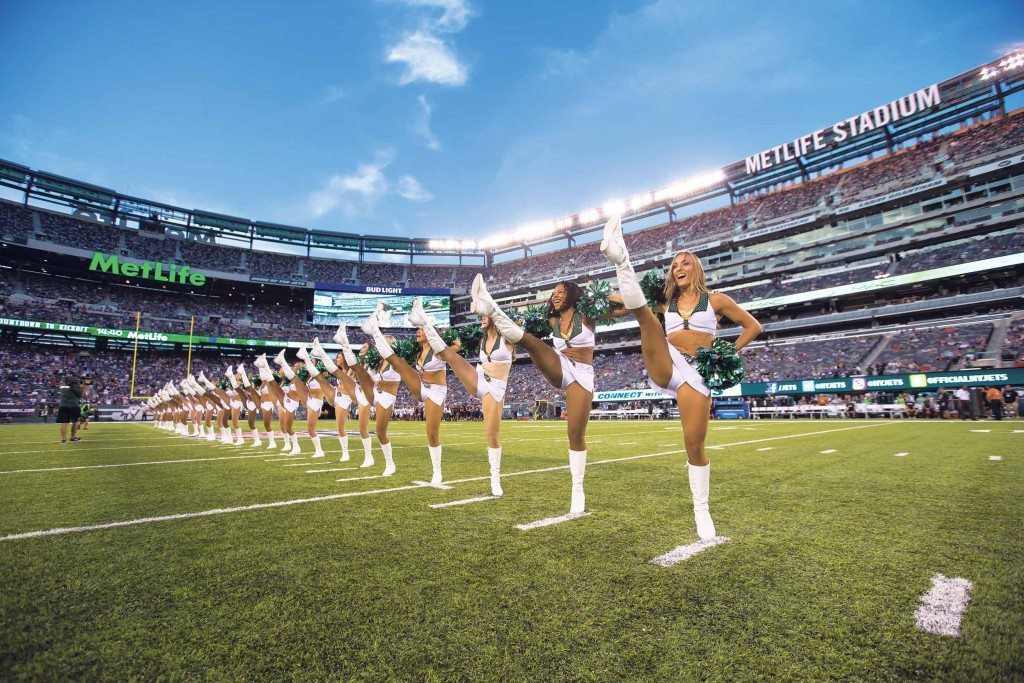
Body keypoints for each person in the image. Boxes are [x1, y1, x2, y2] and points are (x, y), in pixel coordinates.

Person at [601, 215, 762, 540]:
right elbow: (617, 309)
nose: (679, 266)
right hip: (667, 362)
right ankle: (621, 258)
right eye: (675, 263)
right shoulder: (666, 302)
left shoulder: (717, 301)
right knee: (645, 317)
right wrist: (603, 302)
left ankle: (700, 509)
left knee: (694, 445)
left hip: (698, 372)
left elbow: (754, 326)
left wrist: (730, 351)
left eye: (685, 262)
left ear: (695, 269)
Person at [469, 275, 596, 515]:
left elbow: (623, 307)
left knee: (575, 435)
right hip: (559, 364)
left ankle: (577, 489)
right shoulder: (552, 321)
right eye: (554, 292)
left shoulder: (587, 317)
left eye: (561, 291)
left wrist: (600, 296)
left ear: (573, 294)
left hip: (582, 373)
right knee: (531, 343)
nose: (555, 295)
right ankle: (490, 305)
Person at [408, 298, 511, 497]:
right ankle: (424, 320)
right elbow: (453, 349)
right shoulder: (482, 340)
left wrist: (492, 308)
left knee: (491, 435)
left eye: (485, 314)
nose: (482, 317)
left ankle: (495, 479)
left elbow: (510, 328)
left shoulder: (506, 337)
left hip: (496, 388)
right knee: (449, 355)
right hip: (480, 379)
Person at [361, 302, 457, 485]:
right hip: (421, 388)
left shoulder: (437, 351)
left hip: (436, 393)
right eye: (418, 329)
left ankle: (437, 471)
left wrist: (428, 324)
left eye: (421, 329)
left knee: (432, 434)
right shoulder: (417, 352)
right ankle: (375, 330)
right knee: (396, 362)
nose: (417, 332)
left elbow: (456, 346)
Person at [57, 374, 84, 444]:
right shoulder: (74, 385)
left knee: (64, 423)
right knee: (75, 422)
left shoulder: (62, 386)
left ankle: (63, 440)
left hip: (63, 405)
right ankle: (73, 437)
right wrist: (85, 386)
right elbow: (80, 394)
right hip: (73, 406)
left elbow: (70, 390)